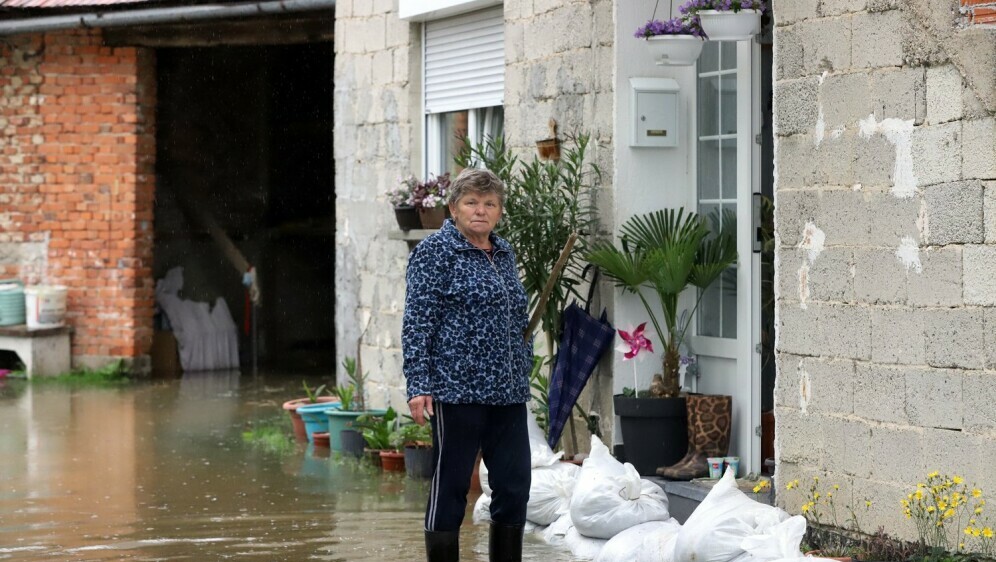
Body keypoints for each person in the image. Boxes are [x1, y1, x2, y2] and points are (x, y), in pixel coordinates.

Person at [402, 168, 533, 562]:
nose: (481, 211)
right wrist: (418, 384)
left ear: (499, 211)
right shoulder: (435, 252)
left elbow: (516, 317)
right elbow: (417, 322)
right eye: (472, 202)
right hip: (458, 390)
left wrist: (522, 362)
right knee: (452, 486)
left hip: (508, 391)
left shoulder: (504, 252)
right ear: (454, 208)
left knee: (514, 486)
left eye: (490, 203)